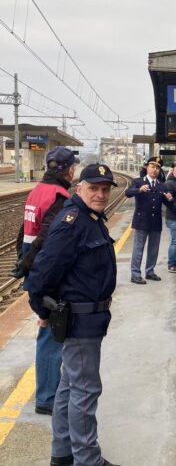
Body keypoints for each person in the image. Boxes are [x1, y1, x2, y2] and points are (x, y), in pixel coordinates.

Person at [28, 163, 118, 466]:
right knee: (85, 391)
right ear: (79, 188)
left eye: (105, 189)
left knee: (69, 386)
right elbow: (43, 271)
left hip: (90, 319)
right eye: (94, 188)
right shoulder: (72, 222)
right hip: (80, 322)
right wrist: (42, 310)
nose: (101, 194)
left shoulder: (90, 218)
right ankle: (88, 460)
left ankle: (63, 453)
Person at [11, 147, 78, 416]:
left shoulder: (37, 191)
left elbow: (23, 233)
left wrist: (21, 261)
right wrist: (28, 266)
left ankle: (50, 390)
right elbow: (47, 238)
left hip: (35, 269)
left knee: (48, 329)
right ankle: (48, 397)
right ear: (69, 170)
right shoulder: (59, 197)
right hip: (45, 273)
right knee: (52, 332)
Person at [125, 156, 166, 284]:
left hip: (156, 222)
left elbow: (168, 203)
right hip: (141, 221)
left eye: (157, 168)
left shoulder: (162, 185)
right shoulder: (138, 182)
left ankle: (150, 271)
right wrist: (139, 190)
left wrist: (170, 199)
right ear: (147, 167)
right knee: (138, 248)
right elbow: (128, 193)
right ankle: (135, 274)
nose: (155, 170)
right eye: (153, 166)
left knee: (153, 249)